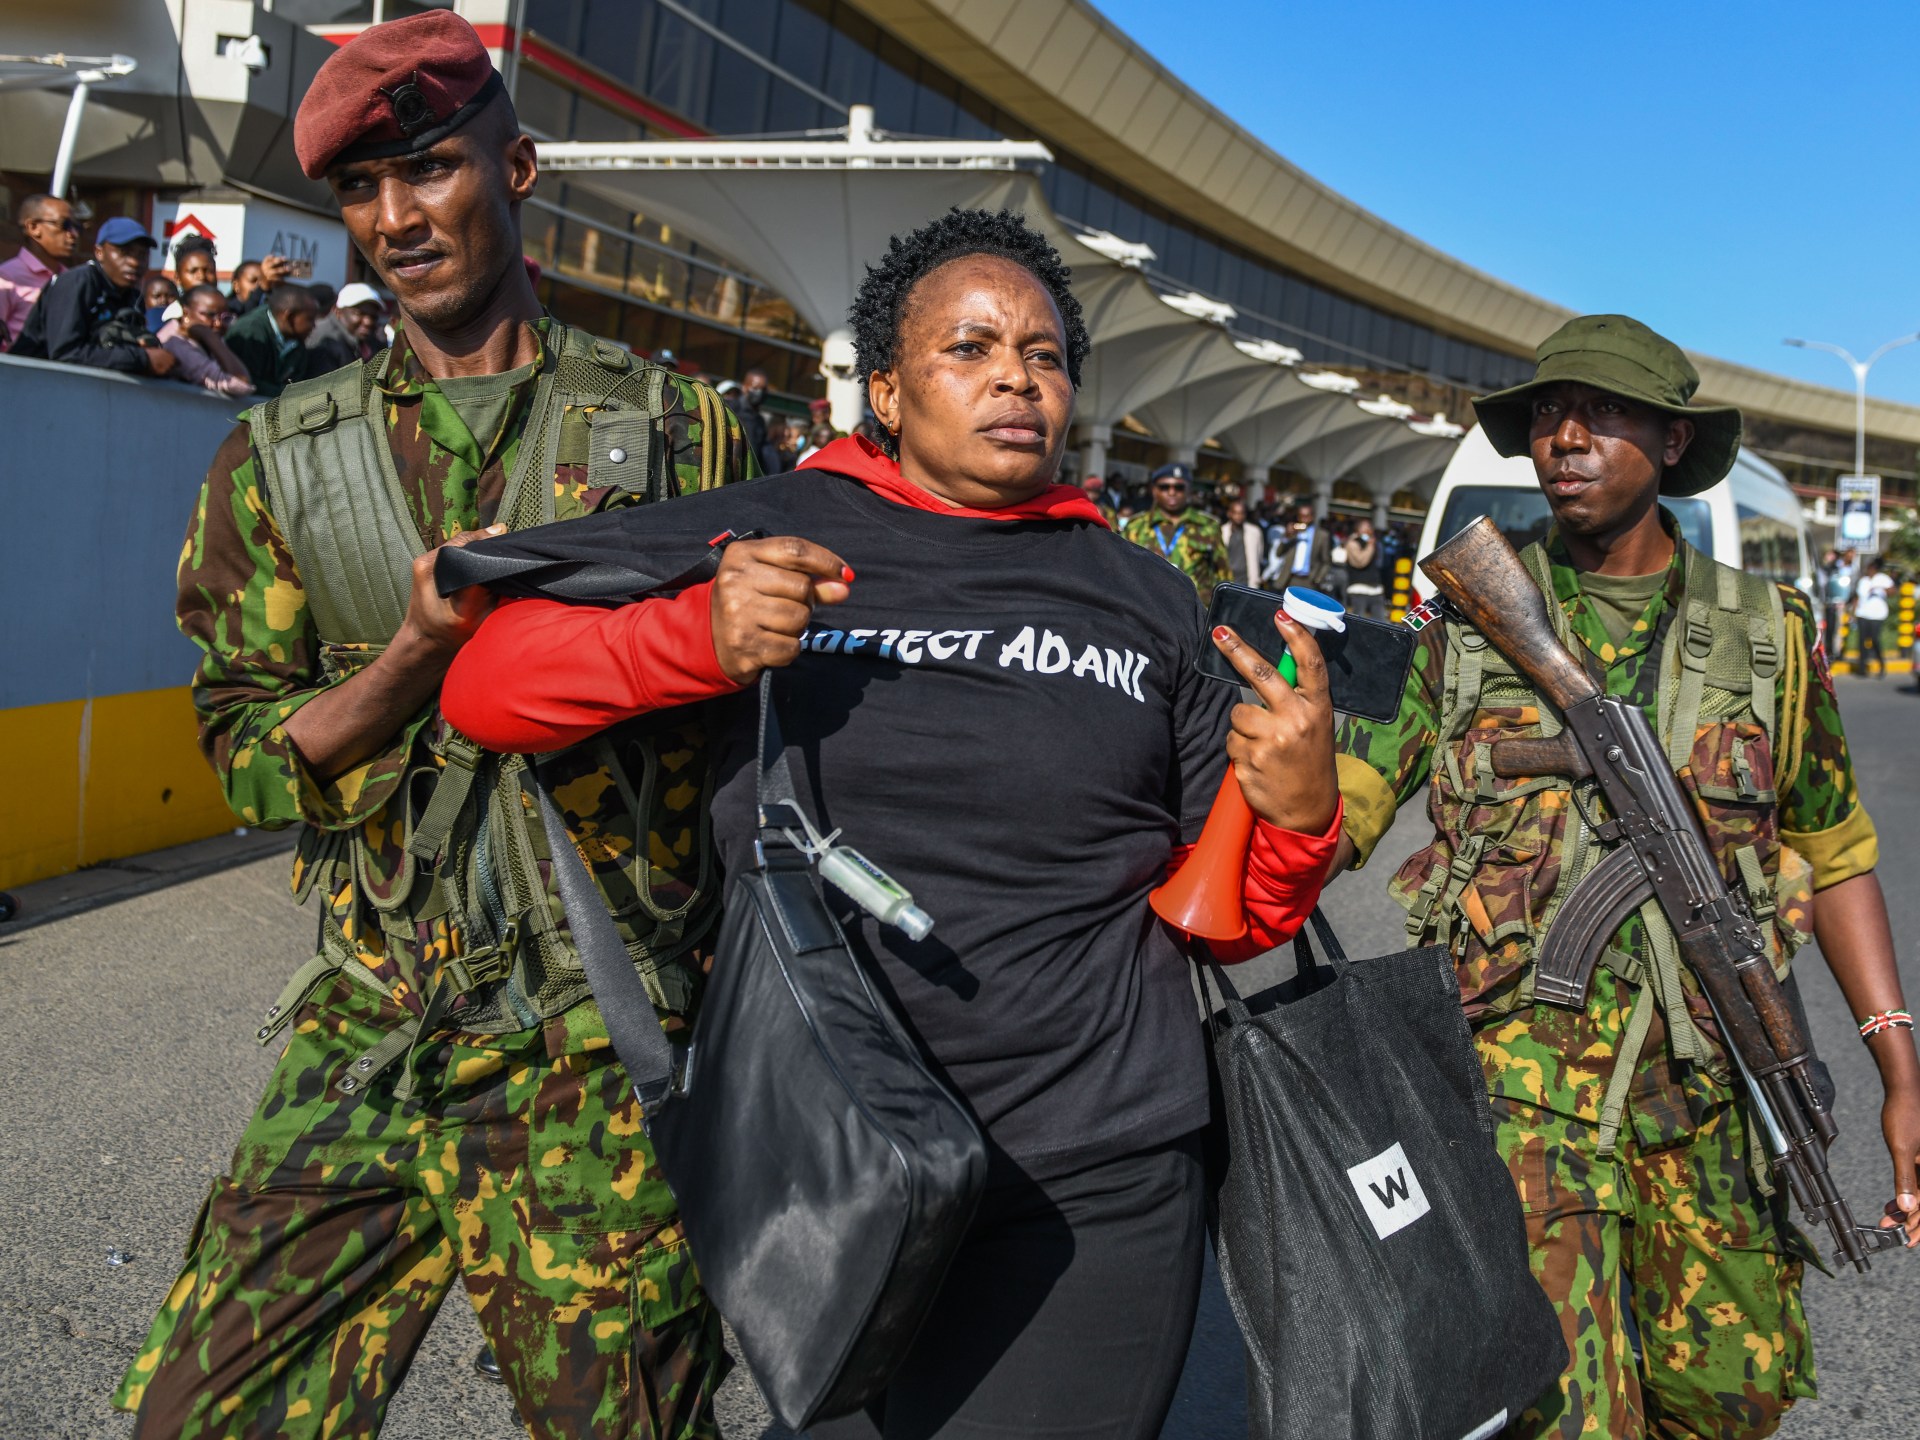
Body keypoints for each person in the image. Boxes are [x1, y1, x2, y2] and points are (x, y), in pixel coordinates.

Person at [442, 207, 1343, 1440]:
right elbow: (486, 687)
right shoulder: (769, 524)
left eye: (1041, 354)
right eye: (968, 349)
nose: (1014, 378)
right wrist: (690, 636)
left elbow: (1230, 921)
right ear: (886, 387)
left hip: (1099, 1161)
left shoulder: (1149, 599)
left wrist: (1296, 813)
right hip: (828, 1152)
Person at [110, 12, 755, 1438]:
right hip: (377, 1023)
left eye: (430, 170)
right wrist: (411, 657)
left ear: (515, 166)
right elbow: (249, 763)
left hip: (599, 1043)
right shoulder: (276, 457)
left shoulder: (685, 435)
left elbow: (769, 741)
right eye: (359, 189)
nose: (393, 218)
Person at [1330, 314, 1919, 1440]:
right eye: (1549, 416)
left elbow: (1836, 851)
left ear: (1672, 442)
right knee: (1564, 1418)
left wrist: (1897, 1061)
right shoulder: (1466, 625)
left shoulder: (1770, 635)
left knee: (1731, 1400)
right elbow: (1340, 810)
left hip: (1718, 1090)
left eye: (1600, 414)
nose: (1565, 437)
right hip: (1520, 1099)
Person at [9, 216, 177, 378]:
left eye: (142, 255)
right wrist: (141, 359)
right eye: (124, 252)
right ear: (99, 252)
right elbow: (66, 353)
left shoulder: (133, 297)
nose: (134, 262)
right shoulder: (78, 282)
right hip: (30, 390)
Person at [1121, 460, 1232, 604]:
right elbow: (1122, 572)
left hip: (1195, 617)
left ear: (1188, 490)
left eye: (1179, 487)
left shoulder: (1208, 526)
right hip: (1145, 611)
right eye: (1164, 487)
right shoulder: (1136, 526)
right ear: (1154, 490)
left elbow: (1224, 576)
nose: (1172, 492)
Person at [0, 194, 78, 347]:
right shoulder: (7, 277)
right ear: (33, 227)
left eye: (77, 226)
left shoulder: (72, 279)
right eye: (65, 225)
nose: (74, 234)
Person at [223, 281, 319, 396]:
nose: (313, 326)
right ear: (289, 316)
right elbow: (249, 383)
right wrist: (287, 395)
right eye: (310, 319)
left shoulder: (296, 340)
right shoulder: (251, 333)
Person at [156, 284, 254, 395]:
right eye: (210, 315)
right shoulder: (176, 344)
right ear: (186, 313)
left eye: (225, 317)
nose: (218, 323)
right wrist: (209, 336)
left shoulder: (208, 337)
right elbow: (240, 383)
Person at [305, 279, 386, 371]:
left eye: (373, 317)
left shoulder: (369, 339)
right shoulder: (324, 338)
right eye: (359, 313)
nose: (368, 322)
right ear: (337, 311)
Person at [1263, 500, 1333, 590]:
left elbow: (1326, 561)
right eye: (1301, 516)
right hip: (1290, 579)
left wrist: (1317, 579)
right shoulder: (1292, 532)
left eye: (1306, 516)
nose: (1304, 519)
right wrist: (1286, 537)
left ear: (1312, 516)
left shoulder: (1322, 536)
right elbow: (1278, 553)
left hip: (1310, 581)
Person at [1853, 554, 1894, 678]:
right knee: (1862, 641)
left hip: (1877, 615)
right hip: (1863, 614)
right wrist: (1853, 613)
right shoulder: (1863, 581)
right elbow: (1858, 597)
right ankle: (1862, 668)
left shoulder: (1883, 578)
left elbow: (1892, 591)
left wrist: (1879, 587)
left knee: (1875, 640)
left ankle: (1881, 665)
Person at [1342, 516, 1387, 619]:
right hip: (1359, 588)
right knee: (1359, 618)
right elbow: (1360, 562)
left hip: (1375, 589)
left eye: (1370, 528)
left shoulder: (1374, 542)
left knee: (1379, 620)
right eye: (1365, 527)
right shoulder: (1353, 543)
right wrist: (1370, 547)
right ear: (1358, 529)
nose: (1368, 530)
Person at [1221, 496, 1266, 589]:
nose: (1239, 516)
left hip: (1246, 581)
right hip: (1226, 581)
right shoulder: (1222, 531)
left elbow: (1259, 555)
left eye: (1241, 513)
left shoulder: (1255, 532)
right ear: (1229, 514)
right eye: (1236, 513)